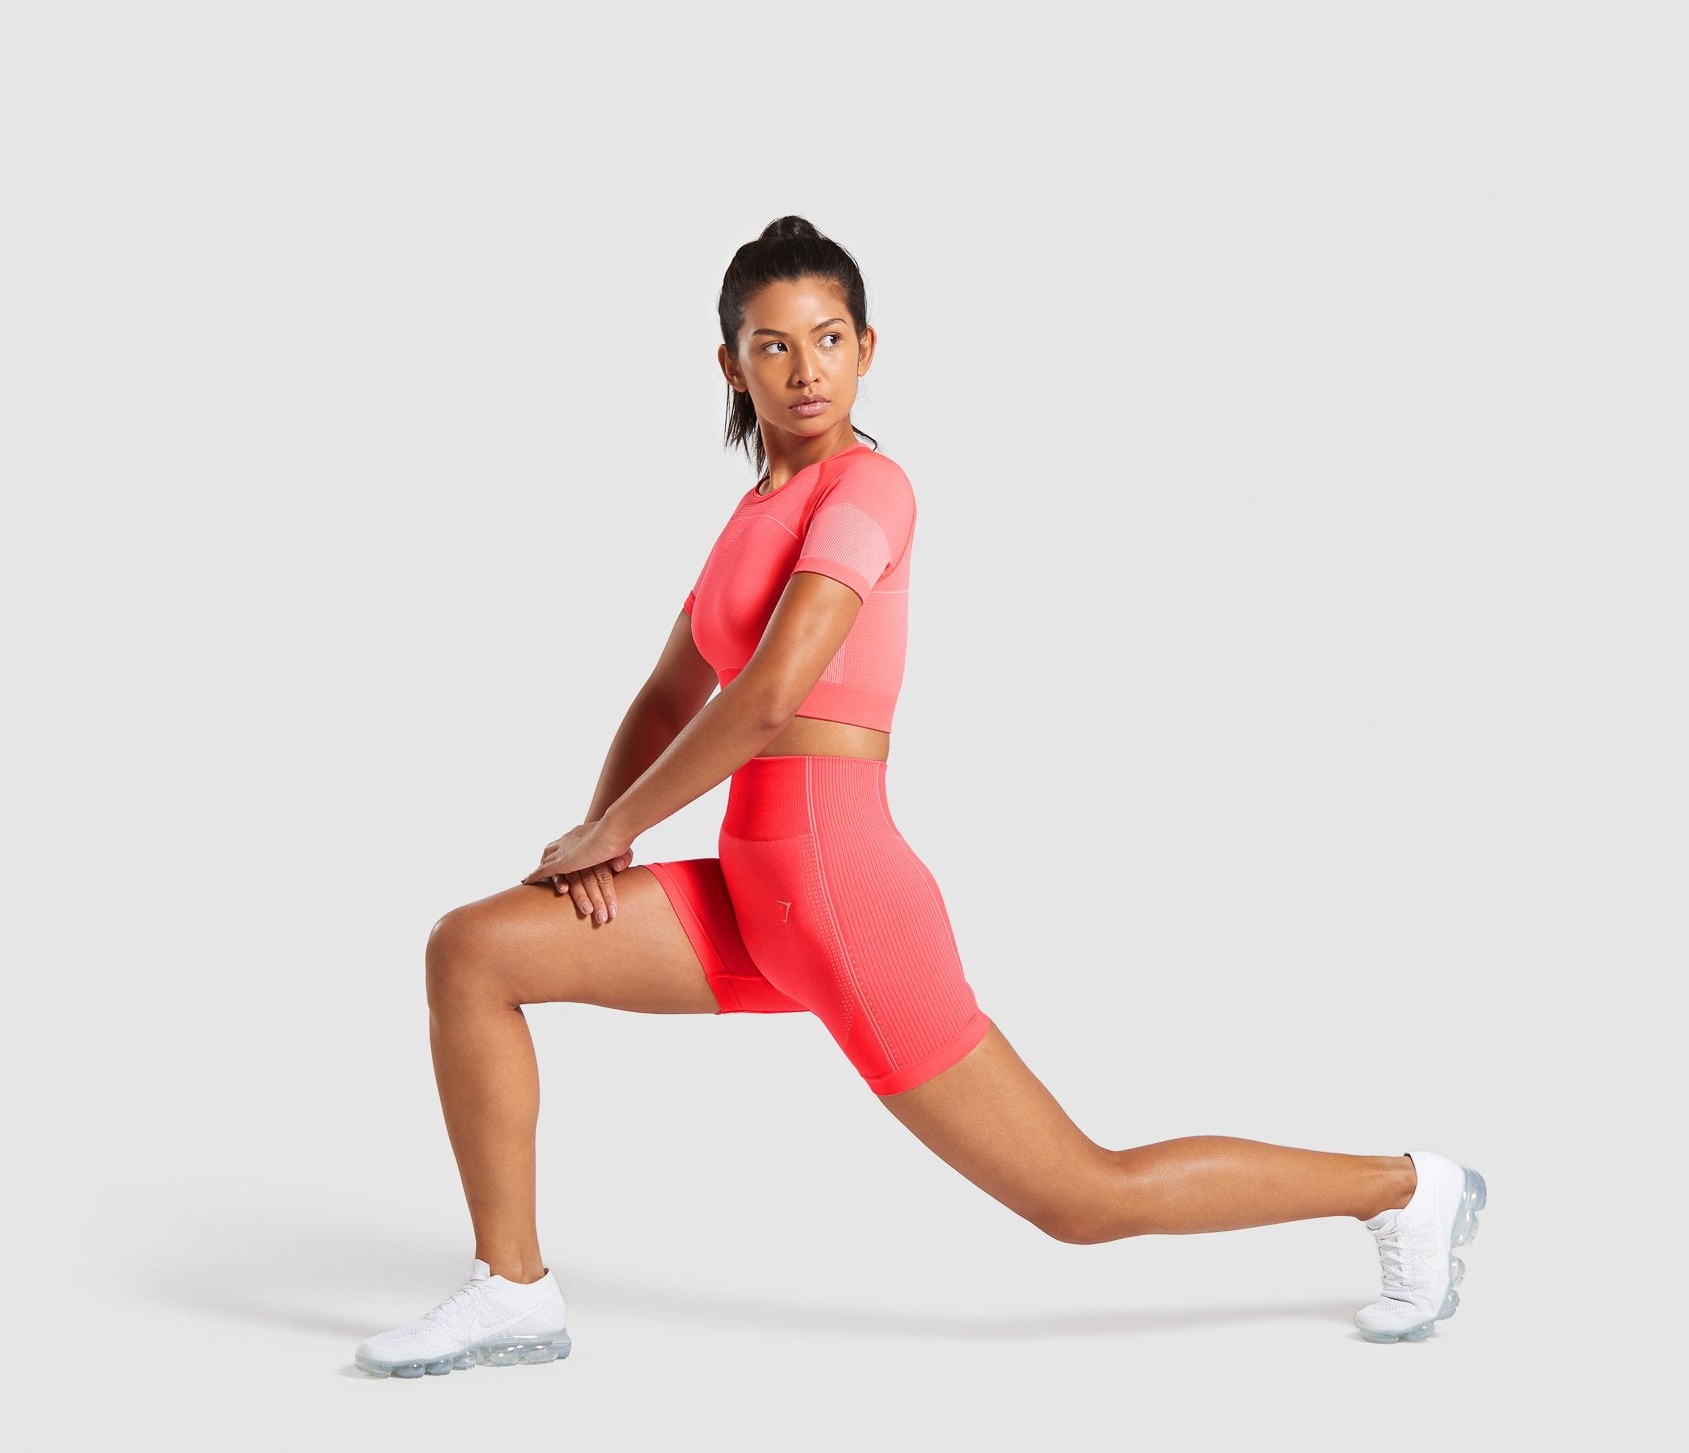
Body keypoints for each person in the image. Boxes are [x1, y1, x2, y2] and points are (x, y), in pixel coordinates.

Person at [354, 216, 1486, 1379]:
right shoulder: (750, 517)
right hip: (755, 898)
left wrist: (618, 825)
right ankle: (513, 1287)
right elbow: (667, 693)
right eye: (774, 344)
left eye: (829, 337)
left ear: (867, 348)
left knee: (1083, 1196)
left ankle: (1404, 1188)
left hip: (843, 899)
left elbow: (768, 698)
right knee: (473, 951)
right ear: (731, 364)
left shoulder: (871, 489)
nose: (806, 369)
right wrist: (606, 845)